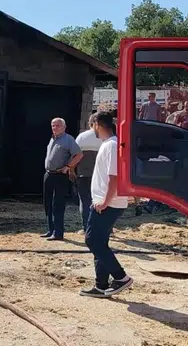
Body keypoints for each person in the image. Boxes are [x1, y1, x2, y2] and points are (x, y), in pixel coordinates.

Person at [82, 111, 133, 298]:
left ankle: (121, 277)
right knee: (100, 243)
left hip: (108, 203)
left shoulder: (112, 145)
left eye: (92, 126)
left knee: (92, 241)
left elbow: (114, 177)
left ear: (97, 124)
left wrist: (105, 202)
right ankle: (101, 285)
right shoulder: (109, 144)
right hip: (105, 202)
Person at [42, 117, 82, 241]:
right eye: (53, 125)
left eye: (57, 125)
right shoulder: (52, 139)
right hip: (49, 174)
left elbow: (79, 154)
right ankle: (51, 229)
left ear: (64, 127)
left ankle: (58, 232)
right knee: (47, 203)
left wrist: (68, 167)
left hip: (60, 175)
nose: (54, 128)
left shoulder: (68, 139)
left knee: (58, 204)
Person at [75, 113, 104, 236]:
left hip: (84, 174)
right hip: (101, 175)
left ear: (90, 123)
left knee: (85, 201)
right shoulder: (104, 137)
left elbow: (75, 155)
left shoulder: (82, 137)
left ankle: (86, 227)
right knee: (102, 201)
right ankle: (105, 227)